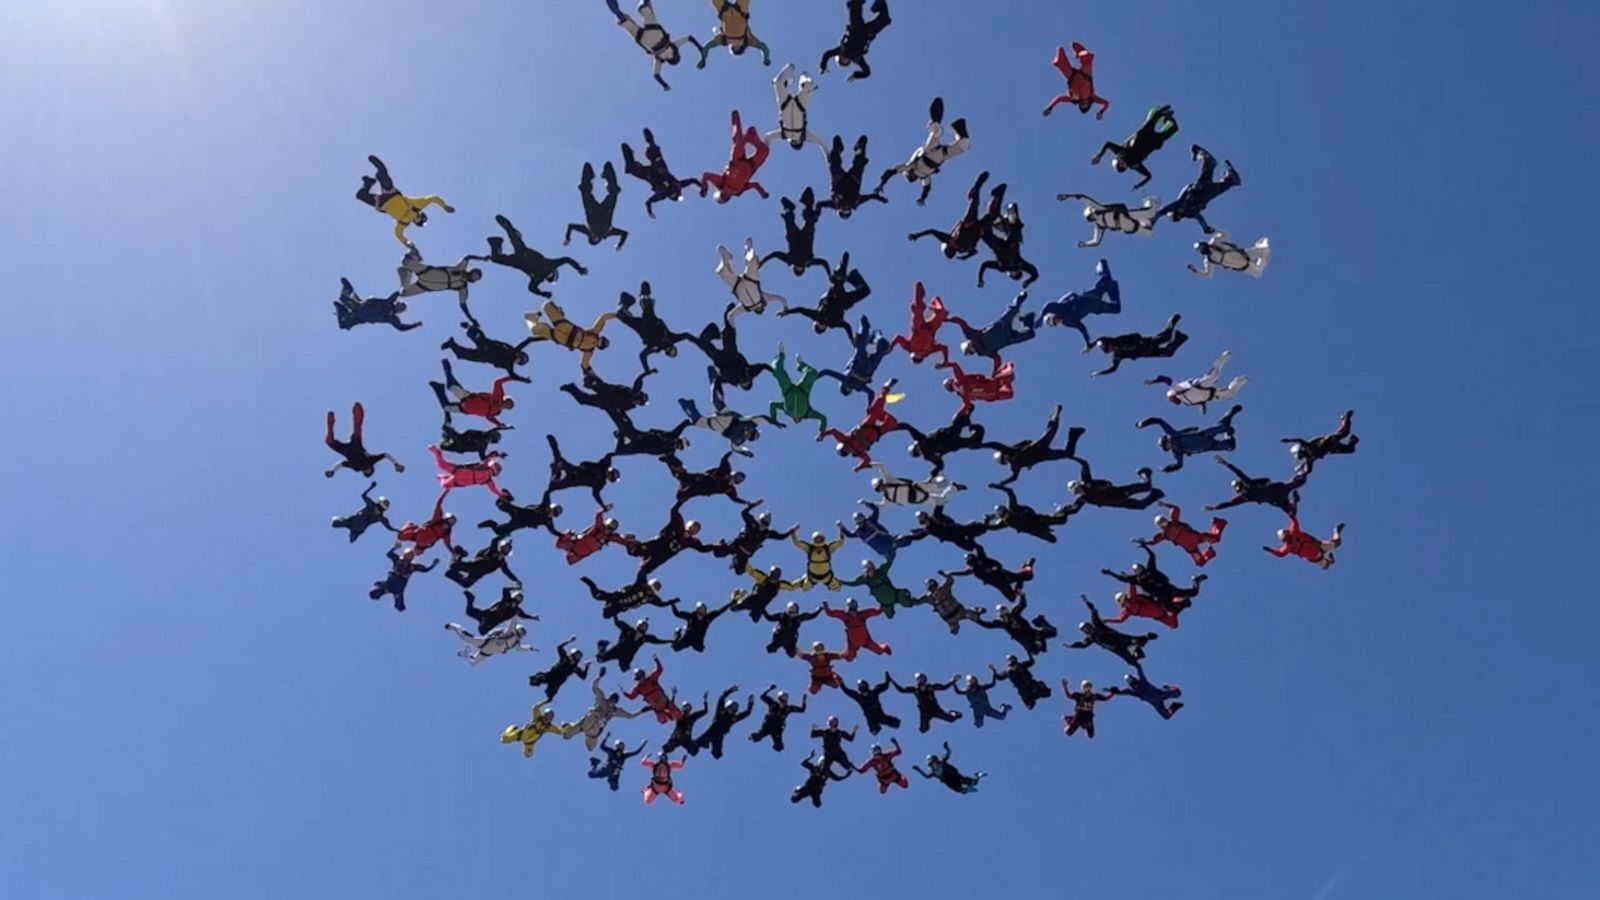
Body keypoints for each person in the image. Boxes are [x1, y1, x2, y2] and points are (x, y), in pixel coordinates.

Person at [878, 97, 971, 205]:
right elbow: (927, 187)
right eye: (912, 179)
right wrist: (923, 197)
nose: (911, 177)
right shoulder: (924, 177)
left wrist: (882, 183)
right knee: (964, 145)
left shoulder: (910, 167)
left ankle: (935, 122)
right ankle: (958, 128)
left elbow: (891, 172)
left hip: (929, 150)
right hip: (942, 155)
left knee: (936, 131)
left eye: (909, 177)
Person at [354, 154, 454, 248]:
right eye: (420, 219)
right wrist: (445, 206)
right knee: (383, 173)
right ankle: (377, 173)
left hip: (380, 202)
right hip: (390, 192)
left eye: (418, 221)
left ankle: (369, 183)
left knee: (359, 195)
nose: (417, 219)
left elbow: (399, 235)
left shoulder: (403, 223)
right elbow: (433, 198)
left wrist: (408, 244)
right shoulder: (417, 206)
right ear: (421, 215)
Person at [605, 0, 703, 91]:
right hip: (644, 41)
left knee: (643, 7)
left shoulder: (673, 47)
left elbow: (689, 38)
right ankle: (620, 15)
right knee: (620, 16)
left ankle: (642, 5)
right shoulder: (659, 59)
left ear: (676, 55)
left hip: (656, 33)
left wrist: (700, 48)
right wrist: (664, 85)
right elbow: (656, 75)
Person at [483, 214, 588, 297]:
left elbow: (531, 288)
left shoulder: (538, 279)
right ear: (553, 271)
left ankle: (496, 243)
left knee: (495, 259)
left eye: (549, 279)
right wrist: (579, 268)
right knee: (512, 235)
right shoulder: (552, 264)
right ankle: (509, 227)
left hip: (517, 262)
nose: (549, 276)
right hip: (525, 253)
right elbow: (566, 259)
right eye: (551, 276)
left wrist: (543, 294)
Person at [908, 170, 1001, 261]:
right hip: (978, 228)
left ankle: (978, 184)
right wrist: (966, 257)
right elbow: (974, 251)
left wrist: (917, 235)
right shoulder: (961, 250)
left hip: (968, 221)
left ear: (947, 247)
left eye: (948, 250)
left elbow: (932, 231)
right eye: (951, 253)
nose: (951, 250)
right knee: (994, 215)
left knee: (974, 201)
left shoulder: (948, 239)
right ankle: (997, 194)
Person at [822, 379, 906, 471]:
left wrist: (822, 434)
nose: (847, 450)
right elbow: (867, 460)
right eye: (846, 452)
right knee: (893, 423)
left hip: (867, 425)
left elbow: (833, 431)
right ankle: (882, 413)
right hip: (876, 432)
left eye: (844, 450)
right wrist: (859, 467)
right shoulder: (858, 452)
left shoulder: (845, 440)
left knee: (876, 408)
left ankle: (886, 388)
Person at [1090, 104, 1179, 189]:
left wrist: (1099, 156)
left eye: (1120, 164)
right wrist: (1139, 185)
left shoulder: (1121, 153)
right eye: (1123, 167)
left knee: (1155, 116)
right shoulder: (1133, 165)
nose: (1123, 164)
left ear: (1118, 160)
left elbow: (1108, 144)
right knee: (1174, 129)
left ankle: (1162, 115)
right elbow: (1148, 176)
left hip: (1143, 135)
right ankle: (1166, 120)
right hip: (1153, 142)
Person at [1040, 259, 1122, 350]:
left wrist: (1041, 316)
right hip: (1095, 308)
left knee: (1107, 282)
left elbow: (1048, 305)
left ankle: (1101, 266)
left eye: (1054, 319)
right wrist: (1088, 343)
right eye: (1055, 323)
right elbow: (1081, 328)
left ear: (1053, 315)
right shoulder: (1067, 322)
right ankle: (1112, 286)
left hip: (1089, 298)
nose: (1057, 321)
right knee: (1116, 309)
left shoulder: (1060, 309)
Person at [620, 128, 704, 217]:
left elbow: (649, 202)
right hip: (659, 167)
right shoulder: (678, 185)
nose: (673, 193)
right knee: (653, 150)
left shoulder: (663, 194)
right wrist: (701, 186)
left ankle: (630, 158)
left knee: (632, 168)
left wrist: (650, 211)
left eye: (672, 195)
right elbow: (692, 180)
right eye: (675, 193)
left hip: (650, 175)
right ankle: (649, 140)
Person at [1158, 145, 1241, 233]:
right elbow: (1200, 219)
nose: (1179, 214)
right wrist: (1205, 228)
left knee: (1211, 165)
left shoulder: (1181, 207)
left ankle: (1198, 152)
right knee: (1224, 179)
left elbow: (1164, 210)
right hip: (1207, 191)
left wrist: (1154, 218)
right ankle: (1230, 177)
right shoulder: (1189, 213)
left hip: (1202, 189)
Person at [1136, 404, 1244, 472]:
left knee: (1224, 426)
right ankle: (1228, 434)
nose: (1168, 445)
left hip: (1203, 435)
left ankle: (1230, 414)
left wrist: (1143, 423)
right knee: (1231, 446)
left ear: (1166, 439)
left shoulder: (1174, 435)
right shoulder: (1177, 452)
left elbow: (1159, 421)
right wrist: (1166, 469)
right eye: (1167, 447)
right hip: (1208, 446)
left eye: (1166, 443)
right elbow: (1179, 465)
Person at [987, 406, 1075, 486]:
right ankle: (1073, 433)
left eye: (1004, 458)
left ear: (1004, 454)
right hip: (1044, 455)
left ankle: (1055, 413)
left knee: (1052, 430)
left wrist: (981, 445)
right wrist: (1000, 484)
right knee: (1068, 453)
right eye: (1005, 461)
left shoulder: (1011, 450)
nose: (1006, 459)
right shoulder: (1015, 465)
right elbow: (1014, 477)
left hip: (1038, 446)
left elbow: (996, 445)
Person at [617, 282, 694, 369]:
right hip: (653, 324)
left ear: (666, 353)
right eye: (672, 349)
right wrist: (700, 341)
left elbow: (642, 355)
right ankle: (645, 297)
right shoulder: (672, 339)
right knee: (648, 311)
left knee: (622, 315)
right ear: (673, 346)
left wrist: (647, 370)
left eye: (669, 352)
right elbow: (687, 336)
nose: (669, 349)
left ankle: (626, 303)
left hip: (644, 331)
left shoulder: (656, 348)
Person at [524, 300, 616, 372]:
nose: (597, 342)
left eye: (599, 345)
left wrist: (593, 376)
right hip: (564, 326)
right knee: (546, 306)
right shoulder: (594, 332)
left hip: (557, 337)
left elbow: (585, 364)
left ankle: (533, 317)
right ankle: (558, 311)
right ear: (600, 337)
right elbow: (603, 317)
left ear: (598, 347)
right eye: (600, 340)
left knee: (534, 330)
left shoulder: (589, 350)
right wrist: (617, 315)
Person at [1068, 595, 1157, 669]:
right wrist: (1072, 645)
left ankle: (1146, 637)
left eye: (1087, 627)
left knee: (1135, 641)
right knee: (1129, 659)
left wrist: (1087, 602)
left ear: (1089, 624)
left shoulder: (1096, 624)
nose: (1087, 629)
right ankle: (1136, 662)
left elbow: (1094, 611)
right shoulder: (1091, 638)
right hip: (1115, 648)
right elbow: (1083, 645)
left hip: (1118, 638)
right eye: (1085, 629)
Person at [690, 311, 771, 392]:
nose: (744, 382)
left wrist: (715, 385)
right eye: (746, 383)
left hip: (720, 360)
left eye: (743, 384)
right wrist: (774, 372)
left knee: (703, 342)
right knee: (728, 332)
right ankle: (728, 314)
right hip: (731, 356)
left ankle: (714, 334)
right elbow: (763, 366)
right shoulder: (751, 373)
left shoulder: (733, 381)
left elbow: (719, 380)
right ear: (750, 381)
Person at [701, 111, 771, 203]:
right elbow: (754, 185)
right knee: (764, 151)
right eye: (724, 198)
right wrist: (762, 193)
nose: (724, 196)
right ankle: (752, 136)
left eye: (721, 197)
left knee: (738, 141)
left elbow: (706, 176)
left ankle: (737, 121)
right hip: (750, 166)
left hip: (737, 161)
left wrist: (704, 188)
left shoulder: (721, 184)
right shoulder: (738, 192)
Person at [442, 314, 535, 383]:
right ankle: (470, 326)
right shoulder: (512, 351)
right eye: (520, 358)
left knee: (461, 355)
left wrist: (523, 379)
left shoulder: (509, 365)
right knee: (475, 335)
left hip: (483, 356)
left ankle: (452, 343)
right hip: (487, 345)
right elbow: (525, 342)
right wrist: (536, 339)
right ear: (520, 355)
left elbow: (513, 375)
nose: (518, 360)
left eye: (520, 362)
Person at [1145, 350, 1247, 413]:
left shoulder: (1177, 389)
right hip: (1209, 395)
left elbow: (1166, 379)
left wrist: (1154, 381)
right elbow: (1199, 401)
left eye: (1171, 399)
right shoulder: (1187, 403)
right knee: (1229, 394)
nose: (1173, 402)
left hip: (1199, 385)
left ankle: (1223, 358)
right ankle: (1238, 381)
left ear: (1172, 395)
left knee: (1214, 376)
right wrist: (1203, 406)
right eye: (1172, 402)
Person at [1090, 314, 1189, 377]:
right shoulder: (1118, 355)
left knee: (1166, 337)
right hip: (1146, 353)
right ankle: (1179, 337)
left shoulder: (1118, 340)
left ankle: (1171, 322)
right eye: (1108, 350)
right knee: (1169, 353)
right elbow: (1113, 368)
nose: (1111, 349)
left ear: (1109, 343)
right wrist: (1100, 373)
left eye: (1108, 347)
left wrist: (1091, 344)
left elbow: (1135, 335)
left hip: (1146, 343)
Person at [762, 63, 828, 158]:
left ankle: (789, 74)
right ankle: (803, 77)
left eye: (793, 143)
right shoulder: (805, 135)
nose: (795, 140)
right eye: (797, 142)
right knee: (809, 85)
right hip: (799, 106)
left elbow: (767, 137)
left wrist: (764, 150)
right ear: (801, 141)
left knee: (777, 82)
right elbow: (822, 144)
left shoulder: (784, 134)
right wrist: (829, 160)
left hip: (785, 106)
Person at [818, 316, 893, 397]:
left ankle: (868, 332)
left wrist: (816, 376)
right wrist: (869, 407)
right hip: (868, 367)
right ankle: (873, 336)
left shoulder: (846, 380)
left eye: (847, 389)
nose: (849, 388)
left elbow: (827, 372)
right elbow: (871, 393)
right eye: (849, 390)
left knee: (863, 342)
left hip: (859, 363)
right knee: (882, 345)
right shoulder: (858, 387)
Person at [566, 673, 643, 751]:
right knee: (566, 735)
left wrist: (642, 711)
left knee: (591, 748)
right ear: (608, 698)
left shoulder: (614, 711)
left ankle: (583, 737)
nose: (611, 702)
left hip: (594, 731)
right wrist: (599, 677)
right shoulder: (602, 699)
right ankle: (568, 730)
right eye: (611, 699)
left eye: (613, 701)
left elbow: (630, 716)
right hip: (587, 722)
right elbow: (595, 688)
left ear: (615, 702)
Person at [1207, 455, 1307, 515]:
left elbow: (1239, 473)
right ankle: (1294, 500)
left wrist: (1226, 464)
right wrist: (1216, 507)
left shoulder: (1248, 483)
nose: (1239, 488)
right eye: (1237, 488)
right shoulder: (1244, 497)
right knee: (1291, 513)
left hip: (1276, 490)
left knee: (1298, 482)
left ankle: (1303, 468)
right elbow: (1230, 503)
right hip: (1275, 499)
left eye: (1239, 485)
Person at [1056, 192, 1162, 249]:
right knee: (1149, 233)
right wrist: (1085, 244)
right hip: (1128, 227)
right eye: (1091, 218)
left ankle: (1150, 201)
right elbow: (1096, 241)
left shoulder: (1099, 209)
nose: (1093, 216)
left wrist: (1068, 196)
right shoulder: (1099, 226)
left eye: (1092, 214)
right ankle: (1151, 219)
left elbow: (1084, 198)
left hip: (1126, 215)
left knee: (1150, 212)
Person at [762, 188, 831, 275]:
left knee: (789, 222)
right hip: (806, 237)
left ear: (794, 268)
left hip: (794, 237)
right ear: (803, 269)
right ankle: (807, 203)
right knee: (810, 221)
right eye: (800, 269)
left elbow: (775, 254)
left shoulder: (790, 260)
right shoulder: (808, 262)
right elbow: (824, 263)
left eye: (797, 268)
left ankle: (789, 209)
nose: (799, 267)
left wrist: (762, 262)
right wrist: (829, 275)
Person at [430, 359, 516, 428]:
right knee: (451, 386)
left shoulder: (495, 411)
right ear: (506, 400)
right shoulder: (498, 397)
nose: (507, 406)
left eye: (508, 407)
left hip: (464, 409)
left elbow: (490, 418)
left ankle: (439, 388)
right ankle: (447, 368)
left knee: (446, 407)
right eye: (508, 403)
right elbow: (497, 383)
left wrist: (500, 425)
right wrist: (511, 377)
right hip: (467, 398)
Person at [816, 136, 888, 219]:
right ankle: (859, 149)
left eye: (844, 210)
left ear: (840, 210)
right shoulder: (855, 203)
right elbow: (869, 197)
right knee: (859, 163)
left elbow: (822, 204)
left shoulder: (836, 204)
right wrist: (879, 198)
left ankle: (838, 150)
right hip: (853, 180)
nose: (846, 208)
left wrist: (818, 208)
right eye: (847, 211)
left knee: (834, 163)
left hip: (840, 180)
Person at [901, 408, 987, 477]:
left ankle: (966, 413)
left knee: (959, 424)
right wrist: (935, 472)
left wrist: (893, 427)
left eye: (918, 449)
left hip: (948, 435)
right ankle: (968, 420)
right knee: (974, 443)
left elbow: (907, 427)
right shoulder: (928, 456)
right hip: (953, 444)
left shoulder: (921, 440)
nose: (920, 450)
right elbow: (940, 465)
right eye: (918, 452)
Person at [560, 368, 653, 431]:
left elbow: (621, 413)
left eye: (640, 403)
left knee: (583, 400)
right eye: (640, 401)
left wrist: (627, 423)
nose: (638, 402)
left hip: (605, 403)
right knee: (592, 383)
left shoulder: (630, 406)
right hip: (609, 392)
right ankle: (589, 378)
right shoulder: (634, 393)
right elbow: (638, 382)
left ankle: (571, 387)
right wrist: (647, 373)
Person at [563, 161, 629, 250]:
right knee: (614, 192)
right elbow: (624, 233)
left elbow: (571, 226)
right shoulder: (606, 233)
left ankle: (588, 174)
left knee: (584, 191)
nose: (595, 237)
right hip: (606, 210)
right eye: (596, 239)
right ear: (599, 240)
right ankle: (607, 173)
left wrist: (567, 238)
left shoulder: (587, 231)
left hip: (592, 210)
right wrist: (620, 245)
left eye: (593, 238)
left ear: (590, 237)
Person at [955, 290, 1037, 362]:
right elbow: (996, 358)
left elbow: (961, 322)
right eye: (970, 352)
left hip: (1001, 326)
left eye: (969, 349)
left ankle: (1020, 296)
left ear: (969, 344)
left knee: (1013, 310)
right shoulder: (984, 352)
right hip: (1009, 337)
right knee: (1030, 334)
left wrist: (946, 319)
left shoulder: (972, 336)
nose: (972, 350)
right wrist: (996, 372)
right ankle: (1027, 319)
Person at [819, 0, 891, 80]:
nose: (844, 60)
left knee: (854, 5)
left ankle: (875, 6)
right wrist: (855, 75)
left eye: (842, 60)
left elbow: (827, 54)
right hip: (866, 34)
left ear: (840, 57)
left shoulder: (841, 51)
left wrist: (823, 66)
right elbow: (867, 72)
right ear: (848, 62)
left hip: (855, 29)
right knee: (884, 20)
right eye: (845, 63)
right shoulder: (857, 59)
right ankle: (879, 4)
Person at [627, 508, 711, 576]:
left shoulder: (691, 541)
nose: (693, 529)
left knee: (646, 569)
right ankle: (629, 541)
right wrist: (680, 502)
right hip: (658, 544)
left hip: (663, 555)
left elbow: (702, 548)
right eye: (693, 526)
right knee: (636, 551)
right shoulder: (679, 526)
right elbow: (674, 511)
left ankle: (640, 584)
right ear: (688, 525)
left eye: (696, 529)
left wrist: (717, 546)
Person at [717, 239, 788, 320]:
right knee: (752, 261)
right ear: (763, 306)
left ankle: (726, 258)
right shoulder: (764, 298)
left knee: (722, 272)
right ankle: (748, 249)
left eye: (757, 310)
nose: (758, 308)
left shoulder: (745, 308)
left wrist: (731, 327)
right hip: (751, 280)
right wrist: (785, 308)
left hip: (737, 285)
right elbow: (782, 299)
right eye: (761, 308)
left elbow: (730, 315)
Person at [398, 247, 483, 313]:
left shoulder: (462, 287)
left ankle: (407, 272)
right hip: (428, 272)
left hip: (425, 286)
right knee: (405, 261)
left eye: (476, 277)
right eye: (476, 274)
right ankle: (414, 255)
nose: (475, 276)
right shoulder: (461, 269)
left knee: (403, 293)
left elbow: (463, 304)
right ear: (472, 271)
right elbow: (468, 257)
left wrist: (471, 319)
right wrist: (483, 258)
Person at [766, 343, 828, 433]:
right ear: (801, 419)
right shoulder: (807, 413)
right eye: (799, 420)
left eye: (795, 420)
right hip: (803, 390)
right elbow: (822, 418)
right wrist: (821, 432)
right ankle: (800, 365)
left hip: (788, 390)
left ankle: (781, 356)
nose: (797, 420)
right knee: (813, 373)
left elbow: (772, 405)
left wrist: (774, 419)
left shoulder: (786, 411)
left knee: (778, 372)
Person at [891, 282, 957, 365]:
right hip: (931, 329)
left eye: (915, 356)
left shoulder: (909, 347)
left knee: (918, 309)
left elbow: (898, 338)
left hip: (918, 328)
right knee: (941, 313)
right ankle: (935, 303)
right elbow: (944, 348)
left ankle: (919, 300)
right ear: (922, 357)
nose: (917, 354)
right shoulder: (930, 350)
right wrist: (945, 361)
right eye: (918, 357)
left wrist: (890, 347)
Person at [544, 436, 620, 507]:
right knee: (562, 462)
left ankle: (557, 472)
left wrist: (603, 506)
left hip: (573, 480)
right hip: (577, 471)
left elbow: (596, 494)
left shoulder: (600, 483)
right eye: (612, 472)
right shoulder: (605, 465)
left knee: (553, 487)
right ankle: (559, 465)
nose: (609, 474)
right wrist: (618, 441)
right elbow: (609, 455)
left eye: (612, 477)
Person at [977, 202, 1040, 288]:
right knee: (1015, 230)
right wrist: (1027, 282)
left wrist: (980, 279)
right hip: (1010, 244)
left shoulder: (1004, 268)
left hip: (1000, 246)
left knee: (987, 236)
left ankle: (985, 227)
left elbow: (985, 265)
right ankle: (1010, 216)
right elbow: (1035, 273)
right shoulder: (1019, 264)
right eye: (1016, 273)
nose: (1014, 271)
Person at [716, 501, 791, 573]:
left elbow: (781, 537)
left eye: (766, 524)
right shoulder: (752, 523)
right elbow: (743, 513)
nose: (763, 525)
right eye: (763, 521)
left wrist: (791, 531)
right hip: (737, 545)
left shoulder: (767, 533)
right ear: (759, 520)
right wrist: (753, 505)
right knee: (718, 553)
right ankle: (722, 545)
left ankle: (734, 561)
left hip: (745, 553)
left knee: (739, 571)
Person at [985, 483, 1071, 543]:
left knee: (1061, 520)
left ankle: (1063, 510)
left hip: (1037, 520)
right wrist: (986, 522)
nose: (1005, 515)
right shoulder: (1004, 521)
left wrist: (998, 487)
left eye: (1004, 512)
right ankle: (1059, 515)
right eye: (1002, 514)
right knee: (1052, 538)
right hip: (1034, 528)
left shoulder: (1012, 508)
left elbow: (1010, 492)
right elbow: (994, 528)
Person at [1042, 42, 1108, 119]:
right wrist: (1101, 112)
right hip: (1085, 76)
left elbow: (1059, 99)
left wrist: (1050, 108)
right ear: (1089, 105)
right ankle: (1081, 53)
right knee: (1086, 59)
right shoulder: (1092, 98)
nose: (1084, 104)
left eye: (1082, 106)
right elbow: (1106, 103)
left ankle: (1060, 58)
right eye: (1086, 106)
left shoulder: (1074, 99)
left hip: (1072, 76)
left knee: (1062, 65)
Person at [697, 0, 772, 67]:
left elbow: (708, 46)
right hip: (740, 12)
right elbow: (763, 47)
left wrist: (703, 58)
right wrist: (765, 58)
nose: (735, 45)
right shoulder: (747, 40)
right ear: (741, 48)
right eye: (737, 48)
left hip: (726, 12)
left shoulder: (725, 40)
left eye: (734, 48)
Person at [1147, 504, 1226, 567]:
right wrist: (1144, 543)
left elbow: (1176, 509)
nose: (1164, 523)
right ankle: (1210, 553)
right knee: (1200, 563)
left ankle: (1217, 522)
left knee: (1216, 538)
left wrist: (1165, 505)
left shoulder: (1174, 522)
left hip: (1198, 538)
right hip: (1192, 548)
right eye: (1162, 523)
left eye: (1163, 521)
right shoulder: (1165, 534)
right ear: (1160, 527)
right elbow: (1154, 541)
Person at [977, 595, 1058, 656]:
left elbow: (1022, 605)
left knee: (1053, 631)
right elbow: (988, 625)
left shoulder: (1013, 613)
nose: (1003, 613)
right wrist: (978, 620)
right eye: (1001, 612)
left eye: (1004, 610)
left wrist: (1022, 595)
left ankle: (1041, 627)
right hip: (1023, 638)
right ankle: (1036, 646)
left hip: (1031, 632)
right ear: (998, 614)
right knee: (1033, 648)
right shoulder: (1001, 622)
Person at [333, 278, 422, 331]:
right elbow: (395, 295)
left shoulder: (392, 318)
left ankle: (342, 309)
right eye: (401, 304)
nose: (400, 307)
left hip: (360, 317)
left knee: (344, 325)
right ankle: (348, 289)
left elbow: (401, 327)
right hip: (360, 307)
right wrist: (402, 291)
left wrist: (414, 325)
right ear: (397, 303)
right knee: (343, 298)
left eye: (402, 308)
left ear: (400, 312)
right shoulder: (388, 304)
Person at [554, 506, 634, 566]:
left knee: (570, 557)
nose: (607, 530)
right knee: (565, 538)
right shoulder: (598, 528)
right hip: (577, 545)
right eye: (607, 527)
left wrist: (628, 541)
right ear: (605, 525)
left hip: (579, 553)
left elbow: (619, 539)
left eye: (610, 529)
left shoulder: (608, 536)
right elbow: (598, 516)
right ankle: (567, 538)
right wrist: (603, 509)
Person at [948, 549, 1035, 603]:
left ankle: (1027, 566)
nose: (970, 561)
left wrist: (993, 569)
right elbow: (962, 573)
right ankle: (1018, 586)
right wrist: (951, 573)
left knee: (1028, 576)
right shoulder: (973, 569)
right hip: (998, 584)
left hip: (1002, 575)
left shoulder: (982, 559)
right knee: (1012, 598)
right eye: (968, 560)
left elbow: (998, 564)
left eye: (970, 558)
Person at [666, 451, 747, 509]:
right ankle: (670, 460)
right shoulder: (726, 471)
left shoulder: (730, 489)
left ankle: (673, 467)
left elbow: (735, 498)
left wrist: (747, 503)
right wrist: (733, 451)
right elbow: (724, 460)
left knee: (680, 496)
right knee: (682, 476)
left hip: (702, 490)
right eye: (738, 476)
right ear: (734, 473)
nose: (737, 479)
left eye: (740, 480)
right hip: (703, 480)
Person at [1282, 410, 1359, 470]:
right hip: (1331, 449)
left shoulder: (1307, 446)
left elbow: (1301, 440)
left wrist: (1288, 440)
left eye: (1301, 454)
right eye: (1301, 456)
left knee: (1344, 432)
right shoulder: (1309, 458)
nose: (1303, 456)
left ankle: (1346, 418)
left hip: (1328, 441)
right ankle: (1353, 438)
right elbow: (1309, 468)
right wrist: (1301, 468)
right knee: (1350, 449)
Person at [369, 546, 436, 612]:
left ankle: (396, 603)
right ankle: (378, 590)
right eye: (408, 555)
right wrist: (395, 547)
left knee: (400, 607)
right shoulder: (398, 560)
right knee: (375, 592)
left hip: (398, 588)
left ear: (412, 558)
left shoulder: (413, 566)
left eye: (411, 556)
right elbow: (389, 554)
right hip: (390, 582)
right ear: (404, 555)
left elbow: (425, 570)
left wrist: (433, 565)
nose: (409, 557)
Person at [841, 506, 915, 565]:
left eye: (860, 518)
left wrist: (867, 504)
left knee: (900, 542)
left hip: (886, 542)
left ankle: (912, 536)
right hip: (883, 546)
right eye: (857, 520)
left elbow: (876, 510)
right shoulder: (858, 531)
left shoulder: (870, 521)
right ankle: (911, 537)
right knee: (897, 544)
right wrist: (842, 528)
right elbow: (849, 535)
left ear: (863, 517)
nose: (859, 521)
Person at [889, 673, 963, 732]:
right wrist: (892, 681)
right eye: (918, 679)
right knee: (923, 730)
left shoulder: (930, 686)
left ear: (924, 679)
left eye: (921, 678)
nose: (919, 680)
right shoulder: (915, 689)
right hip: (925, 712)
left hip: (935, 709)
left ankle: (953, 713)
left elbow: (944, 687)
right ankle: (925, 726)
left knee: (951, 719)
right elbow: (902, 690)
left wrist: (953, 680)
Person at [917, 572, 986, 635]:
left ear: (936, 584)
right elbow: (917, 601)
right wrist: (909, 601)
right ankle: (956, 626)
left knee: (969, 614)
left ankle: (975, 611)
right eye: (931, 588)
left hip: (959, 611)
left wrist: (945, 575)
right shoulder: (928, 597)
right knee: (954, 631)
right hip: (950, 619)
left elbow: (950, 580)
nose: (933, 589)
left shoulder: (944, 588)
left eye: (933, 586)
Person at [1264, 516, 1345, 569]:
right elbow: (1280, 554)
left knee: (1337, 543)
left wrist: (1291, 513)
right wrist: (1270, 550)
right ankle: (1329, 557)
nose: (1287, 540)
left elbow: (1294, 521)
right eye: (1285, 539)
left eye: (1286, 537)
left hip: (1318, 546)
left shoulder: (1294, 533)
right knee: (1326, 566)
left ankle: (1336, 531)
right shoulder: (1288, 547)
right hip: (1315, 557)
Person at [940, 360, 1016, 416]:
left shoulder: (961, 388)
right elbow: (955, 365)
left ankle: (1005, 370)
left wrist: (958, 414)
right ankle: (1005, 370)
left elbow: (966, 404)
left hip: (990, 391)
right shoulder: (961, 386)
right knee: (1008, 391)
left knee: (1008, 389)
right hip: (991, 391)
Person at [695, 688, 755, 759]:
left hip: (719, 736)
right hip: (711, 732)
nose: (731, 710)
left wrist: (750, 702)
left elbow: (746, 713)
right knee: (694, 745)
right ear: (727, 706)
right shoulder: (721, 711)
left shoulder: (733, 718)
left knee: (717, 755)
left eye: (734, 709)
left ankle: (706, 744)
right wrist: (730, 690)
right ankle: (704, 743)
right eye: (731, 708)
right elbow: (721, 698)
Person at [527, 635, 591, 701]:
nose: (578, 657)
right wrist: (569, 641)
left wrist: (587, 667)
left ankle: (549, 697)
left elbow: (583, 676)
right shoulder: (565, 658)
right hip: (552, 673)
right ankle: (534, 680)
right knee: (539, 677)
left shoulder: (575, 668)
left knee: (551, 694)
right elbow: (559, 647)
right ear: (573, 654)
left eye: (579, 657)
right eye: (577, 655)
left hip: (558, 681)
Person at [869, 465, 964, 509]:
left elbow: (882, 467)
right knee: (943, 500)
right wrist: (869, 504)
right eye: (878, 489)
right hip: (919, 499)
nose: (881, 488)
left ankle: (937, 470)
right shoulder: (887, 497)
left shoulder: (890, 481)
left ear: (882, 481)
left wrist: (868, 465)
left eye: (880, 485)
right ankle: (953, 487)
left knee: (940, 484)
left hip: (918, 488)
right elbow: (883, 506)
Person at [823, 598, 891, 660]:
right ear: (848, 608)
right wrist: (826, 607)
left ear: (856, 608)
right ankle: (842, 655)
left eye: (853, 609)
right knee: (849, 657)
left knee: (878, 650)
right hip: (853, 640)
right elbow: (831, 613)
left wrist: (883, 604)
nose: (853, 612)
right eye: (851, 609)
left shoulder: (862, 614)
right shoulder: (845, 616)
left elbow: (877, 612)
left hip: (864, 639)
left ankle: (884, 647)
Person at [580, 573, 670, 619]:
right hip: (617, 597)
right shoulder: (641, 584)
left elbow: (661, 604)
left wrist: (671, 602)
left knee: (606, 613)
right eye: (654, 585)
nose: (653, 589)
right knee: (597, 596)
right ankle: (589, 583)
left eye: (656, 588)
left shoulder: (651, 597)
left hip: (620, 605)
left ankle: (590, 584)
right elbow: (642, 573)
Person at [393, 494, 456, 559]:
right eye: (448, 522)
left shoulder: (446, 532)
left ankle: (409, 560)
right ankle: (398, 543)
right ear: (445, 519)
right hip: (419, 534)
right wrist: (446, 491)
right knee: (405, 532)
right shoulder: (438, 520)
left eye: (450, 524)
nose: (446, 525)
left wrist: (453, 553)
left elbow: (447, 544)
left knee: (418, 552)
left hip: (423, 543)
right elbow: (438, 504)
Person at [445, 620, 535, 665]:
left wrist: (530, 648)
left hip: (488, 652)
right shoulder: (510, 631)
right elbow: (513, 621)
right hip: (487, 642)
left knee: (473, 663)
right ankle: (455, 627)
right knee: (465, 638)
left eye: (523, 633)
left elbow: (520, 648)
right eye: (521, 630)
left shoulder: (516, 642)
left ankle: (467, 653)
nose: (521, 633)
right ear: (518, 628)